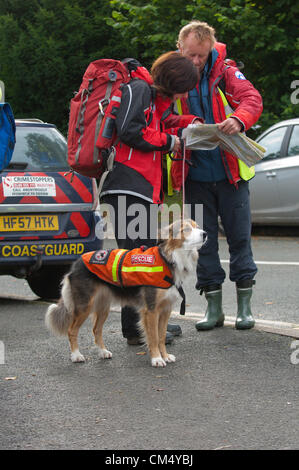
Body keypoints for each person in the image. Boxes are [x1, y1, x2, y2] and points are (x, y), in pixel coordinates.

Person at [100, 51, 200, 345]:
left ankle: (144, 326)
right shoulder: (140, 89)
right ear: (174, 80)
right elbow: (131, 131)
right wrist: (170, 141)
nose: (186, 93)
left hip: (139, 187)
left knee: (140, 256)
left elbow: (161, 122)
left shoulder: (152, 97)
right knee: (137, 262)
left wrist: (191, 122)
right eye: (185, 86)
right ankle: (136, 331)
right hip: (127, 185)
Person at [173, 21, 263, 330]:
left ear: (211, 48)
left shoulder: (226, 71)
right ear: (179, 48)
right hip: (195, 176)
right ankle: (214, 309)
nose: (195, 62)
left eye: (200, 55)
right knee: (203, 244)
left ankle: (244, 308)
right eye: (190, 55)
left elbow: (252, 99)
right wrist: (184, 122)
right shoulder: (172, 74)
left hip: (231, 176)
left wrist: (239, 119)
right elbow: (161, 115)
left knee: (239, 239)